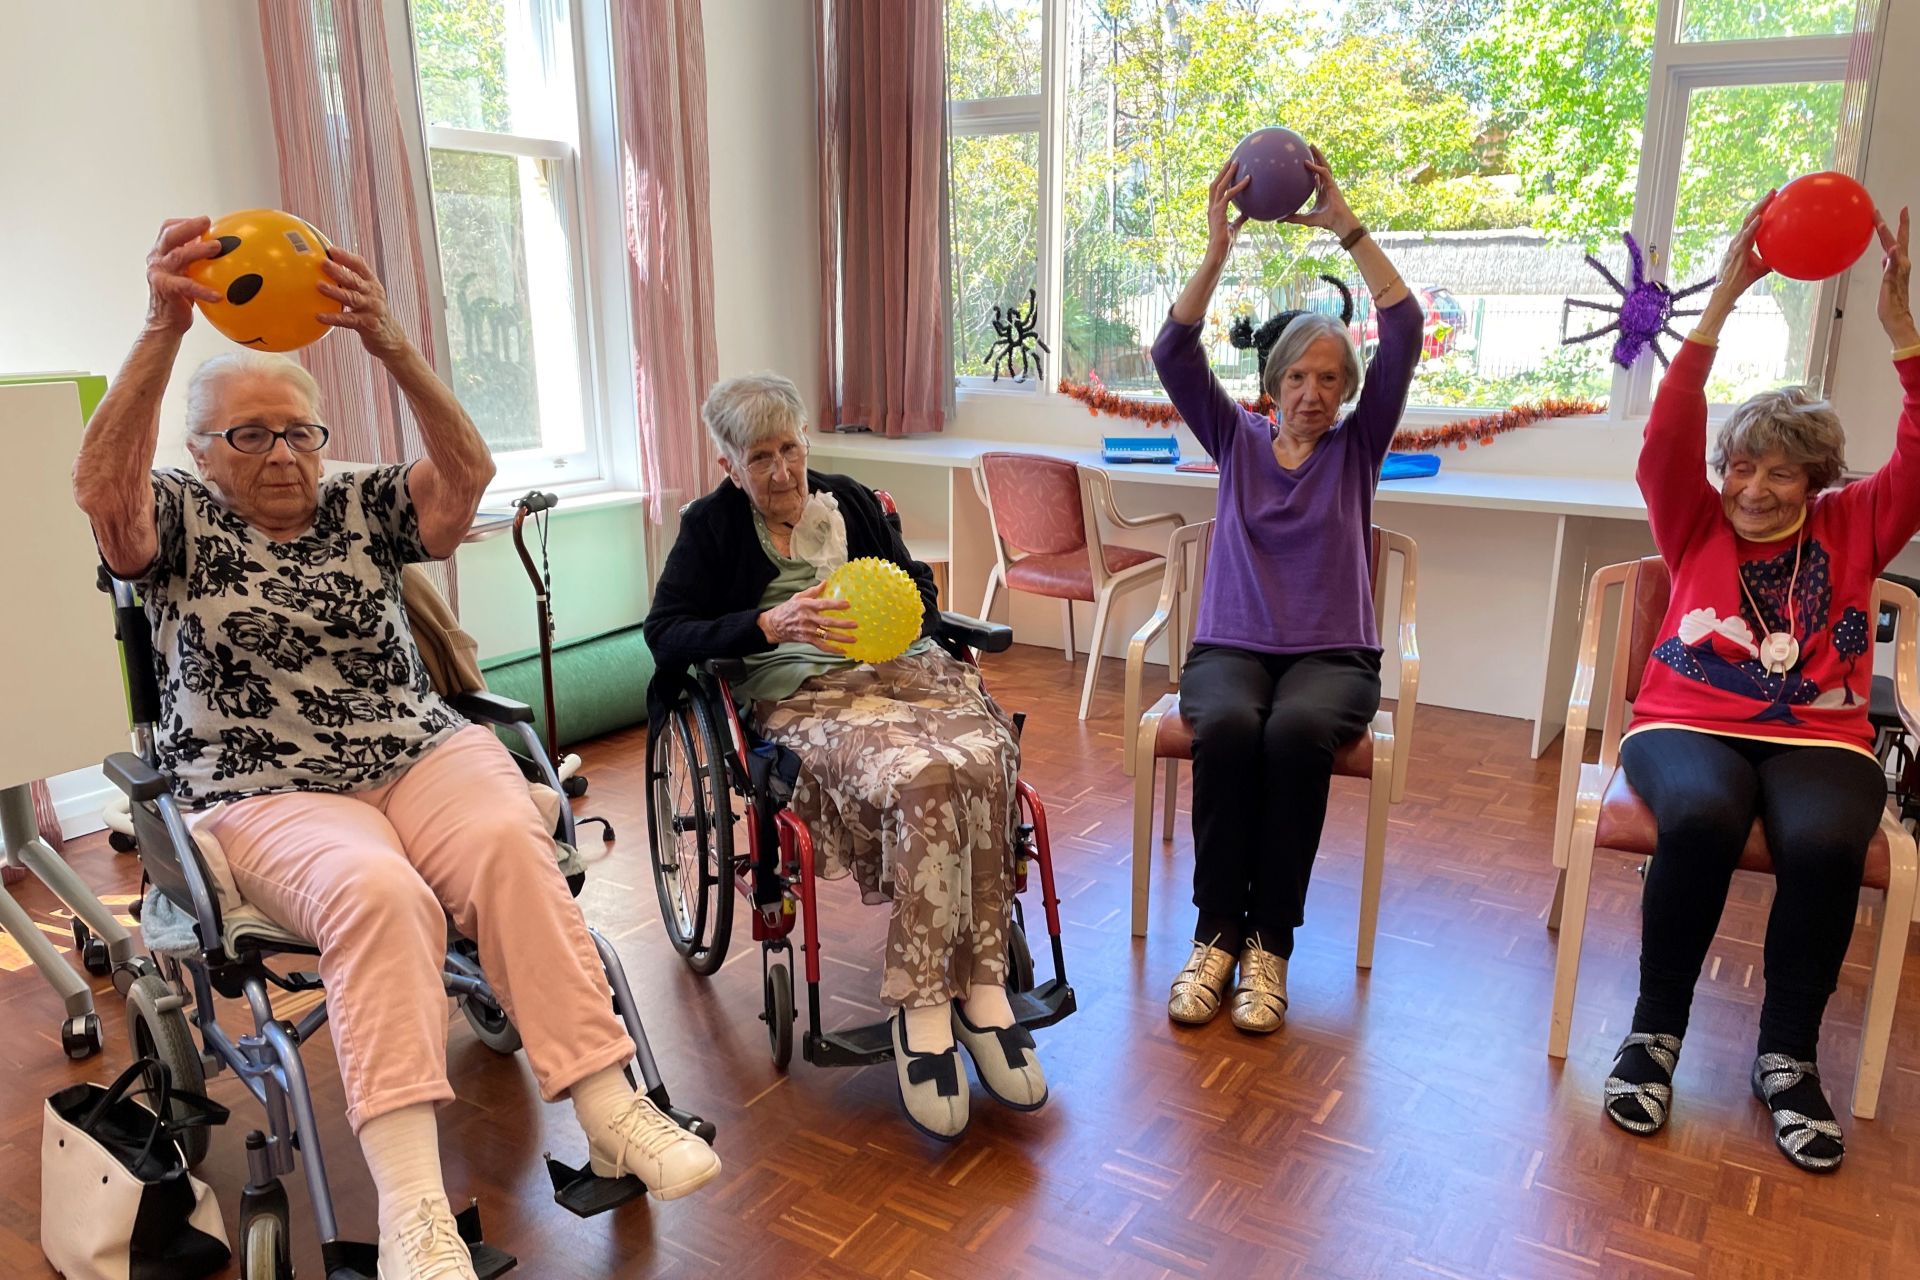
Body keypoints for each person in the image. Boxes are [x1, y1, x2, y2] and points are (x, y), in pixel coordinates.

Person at [73, 218, 720, 1280]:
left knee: (510, 844)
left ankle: (610, 1104)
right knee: (379, 893)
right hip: (266, 787)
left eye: (299, 432)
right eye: (251, 436)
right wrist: (160, 327)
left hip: (418, 749)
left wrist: (389, 341)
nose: (284, 454)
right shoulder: (176, 516)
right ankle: (416, 1206)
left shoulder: (356, 498)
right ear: (199, 451)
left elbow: (465, 475)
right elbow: (103, 494)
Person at [1602, 197, 1920, 1174]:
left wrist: (1901, 332)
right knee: (1698, 813)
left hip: (1820, 739)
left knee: (1825, 838)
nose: (1756, 486)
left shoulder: (1855, 525)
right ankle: (1655, 1032)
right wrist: (1724, 302)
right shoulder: (1691, 521)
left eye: (1782, 470)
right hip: (1681, 725)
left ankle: (1786, 1056)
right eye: (1743, 465)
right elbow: (1665, 434)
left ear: (1816, 477)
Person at [643, 373, 1047, 1142]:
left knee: (985, 753)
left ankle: (985, 986)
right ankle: (924, 1009)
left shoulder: (850, 500)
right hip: (804, 692)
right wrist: (769, 622)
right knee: (919, 773)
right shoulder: (711, 528)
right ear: (728, 463)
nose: (782, 472)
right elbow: (665, 633)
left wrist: (886, 607)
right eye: (759, 458)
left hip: (906, 671)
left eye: (790, 449)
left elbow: (920, 594)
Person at [1150, 148, 1422, 1033]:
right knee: (1228, 726)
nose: (1312, 393)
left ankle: (1270, 944)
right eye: (1297, 377)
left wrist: (1348, 226)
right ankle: (1215, 934)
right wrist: (1216, 250)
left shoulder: (1357, 450)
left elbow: (1405, 326)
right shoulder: (1234, 440)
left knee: (1297, 733)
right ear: (1271, 388)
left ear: (1348, 394)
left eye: (1330, 379)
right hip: (1231, 648)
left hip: (1332, 658)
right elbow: (1172, 350)